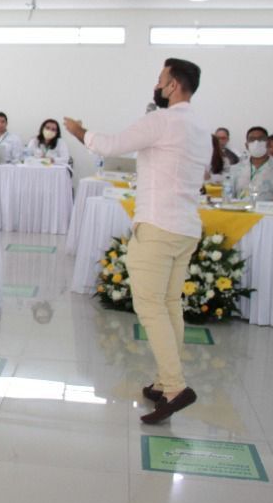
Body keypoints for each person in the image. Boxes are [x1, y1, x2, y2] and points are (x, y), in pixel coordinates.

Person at [64, 58, 210, 425]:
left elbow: (112, 145)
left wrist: (81, 132)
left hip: (158, 226)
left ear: (174, 85)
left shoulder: (161, 121)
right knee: (169, 303)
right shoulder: (199, 126)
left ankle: (175, 386)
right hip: (186, 227)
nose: (156, 86)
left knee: (150, 307)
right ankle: (164, 381)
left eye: (160, 80)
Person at [224, 126, 273, 201]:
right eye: (252, 139)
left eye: (261, 139)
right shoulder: (236, 169)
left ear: (267, 144)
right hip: (241, 211)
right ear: (246, 145)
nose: (256, 142)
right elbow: (229, 197)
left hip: (270, 211)